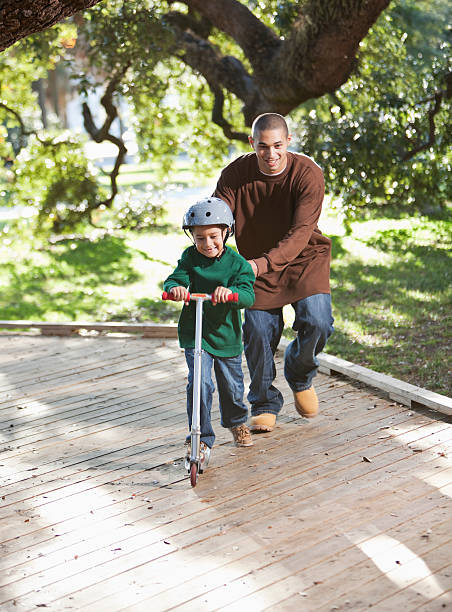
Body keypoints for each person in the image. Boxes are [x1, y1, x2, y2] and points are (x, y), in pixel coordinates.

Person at [213, 112, 334, 433]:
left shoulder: (307, 174)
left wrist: (257, 265)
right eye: (263, 147)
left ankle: (299, 372)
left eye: (277, 146)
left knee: (319, 322)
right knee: (256, 332)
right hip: (255, 267)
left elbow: (298, 235)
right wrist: (212, 250)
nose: (270, 154)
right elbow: (219, 218)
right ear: (252, 143)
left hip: (304, 260)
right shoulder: (234, 175)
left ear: (289, 142)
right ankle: (265, 402)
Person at [163, 197, 256, 470]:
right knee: (199, 384)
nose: (207, 244)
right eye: (200, 238)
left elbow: (248, 295)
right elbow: (175, 279)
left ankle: (237, 422)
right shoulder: (190, 257)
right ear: (191, 237)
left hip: (226, 335)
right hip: (196, 333)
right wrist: (176, 289)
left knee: (232, 388)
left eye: (213, 236)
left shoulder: (237, 263)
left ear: (226, 233)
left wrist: (231, 294)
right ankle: (200, 438)